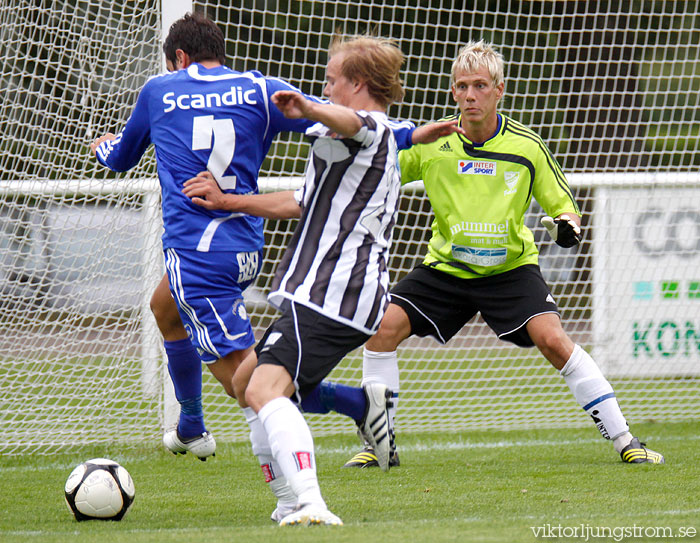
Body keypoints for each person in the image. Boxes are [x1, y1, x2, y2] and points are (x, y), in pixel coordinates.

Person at [340, 40, 665, 468]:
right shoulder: (433, 143)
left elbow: (564, 207)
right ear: (453, 92)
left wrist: (568, 227)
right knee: (382, 330)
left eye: (479, 85)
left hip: (510, 269)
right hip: (448, 269)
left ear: (499, 89)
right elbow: (382, 171)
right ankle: (379, 446)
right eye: (462, 86)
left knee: (554, 341)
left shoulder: (526, 147)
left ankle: (626, 440)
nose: (470, 95)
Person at [183, 34, 464, 526]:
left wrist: (309, 107)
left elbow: (356, 121)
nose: (325, 86)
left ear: (357, 83)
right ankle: (290, 499)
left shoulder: (366, 126)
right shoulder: (346, 139)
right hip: (316, 289)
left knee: (266, 389)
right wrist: (228, 202)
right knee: (247, 383)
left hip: (335, 291)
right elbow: (298, 202)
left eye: (332, 80)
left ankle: (312, 503)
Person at [89, 13, 319, 460]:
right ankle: (191, 425)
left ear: (178, 56)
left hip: (198, 252)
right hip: (246, 243)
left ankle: (350, 404)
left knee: (248, 384)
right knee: (164, 306)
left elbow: (120, 159)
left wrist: (101, 144)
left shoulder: (159, 90)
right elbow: (324, 121)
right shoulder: (260, 88)